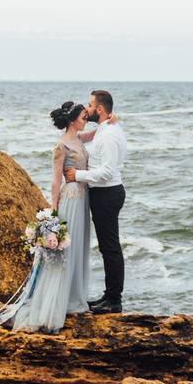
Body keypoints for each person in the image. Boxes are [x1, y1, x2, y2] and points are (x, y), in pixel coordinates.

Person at [7, 101, 93, 332]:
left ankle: (74, 298)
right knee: (64, 253)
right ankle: (55, 304)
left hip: (83, 199)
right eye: (84, 116)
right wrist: (53, 213)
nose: (86, 119)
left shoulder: (78, 139)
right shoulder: (62, 146)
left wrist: (109, 122)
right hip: (71, 199)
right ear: (73, 120)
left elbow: (96, 133)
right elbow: (56, 180)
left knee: (78, 249)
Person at [64, 88, 127, 312]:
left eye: (90, 105)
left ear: (100, 109)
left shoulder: (109, 134)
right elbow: (77, 138)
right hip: (103, 193)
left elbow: (107, 171)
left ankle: (114, 301)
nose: (87, 108)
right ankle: (109, 296)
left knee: (110, 248)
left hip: (107, 193)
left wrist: (76, 176)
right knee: (107, 247)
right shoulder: (105, 128)